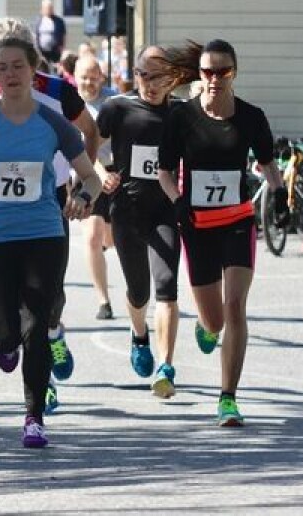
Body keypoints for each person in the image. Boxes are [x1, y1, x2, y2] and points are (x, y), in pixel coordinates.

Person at [0, 33, 101, 449]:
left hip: (43, 233)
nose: (10, 74)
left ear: (34, 70)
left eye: (18, 66)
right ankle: (5, 344)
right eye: (2, 67)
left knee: (36, 326)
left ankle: (34, 417)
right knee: (5, 335)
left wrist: (84, 197)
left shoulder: (53, 123)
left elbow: (91, 176)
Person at [157, 39, 288, 427]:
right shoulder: (182, 118)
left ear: (234, 72)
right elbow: (165, 171)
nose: (214, 79)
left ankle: (227, 397)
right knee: (214, 319)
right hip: (197, 225)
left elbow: (268, 164)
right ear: (199, 74)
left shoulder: (251, 117)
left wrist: (279, 194)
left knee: (235, 307)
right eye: (208, 72)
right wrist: (177, 200)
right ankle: (205, 325)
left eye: (223, 71)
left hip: (237, 221)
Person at [96, 44, 188, 397]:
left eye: (158, 76)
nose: (149, 83)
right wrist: (100, 171)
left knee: (167, 289)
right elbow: (90, 147)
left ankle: (166, 367)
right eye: (142, 75)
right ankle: (139, 335)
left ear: (173, 78)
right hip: (127, 212)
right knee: (139, 292)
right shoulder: (117, 107)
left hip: (165, 211)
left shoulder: (181, 113)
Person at [74, 54, 119, 320]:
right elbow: (78, 147)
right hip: (86, 173)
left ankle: (105, 244)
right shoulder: (70, 103)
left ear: (102, 77)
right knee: (92, 234)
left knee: (110, 238)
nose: (89, 83)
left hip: (116, 172)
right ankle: (104, 300)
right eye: (84, 77)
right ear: (75, 77)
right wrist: (98, 173)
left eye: (94, 77)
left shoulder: (113, 101)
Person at [34, 0, 66, 64]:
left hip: (55, 51)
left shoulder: (59, 21)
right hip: (41, 51)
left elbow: (63, 35)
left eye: (50, 8)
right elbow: (36, 34)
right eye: (46, 8)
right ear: (42, 9)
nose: (48, 10)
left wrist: (62, 48)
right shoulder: (39, 20)